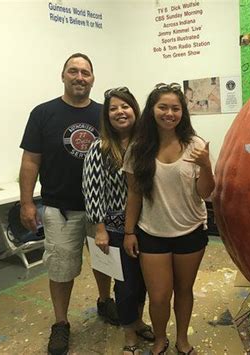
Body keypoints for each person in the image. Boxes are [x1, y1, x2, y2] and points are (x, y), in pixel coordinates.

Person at [19, 53, 118, 355]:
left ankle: (104, 301)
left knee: (104, 263)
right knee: (61, 270)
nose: (79, 77)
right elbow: (30, 160)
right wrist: (26, 203)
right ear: (63, 75)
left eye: (85, 73)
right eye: (73, 71)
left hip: (101, 209)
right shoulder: (43, 113)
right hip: (61, 209)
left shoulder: (105, 115)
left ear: (93, 79)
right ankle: (61, 323)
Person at [123, 83, 215, 355]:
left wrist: (206, 165)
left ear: (182, 112)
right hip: (152, 232)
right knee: (160, 295)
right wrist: (129, 232)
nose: (169, 113)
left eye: (175, 108)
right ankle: (160, 338)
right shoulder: (138, 149)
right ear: (152, 110)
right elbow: (134, 195)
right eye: (163, 107)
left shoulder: (195, 145)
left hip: (190, 231)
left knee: (184, 290)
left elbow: (205, 192)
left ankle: (182, 339)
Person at [82, 87, 155, 354]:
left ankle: (138, 321)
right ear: (107, 116)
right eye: (113, 108)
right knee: (125, 285)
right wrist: (99, 229)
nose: (120, 112)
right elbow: (92, 191)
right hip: (113, 229)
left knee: (145, 281)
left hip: (147, 226)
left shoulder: (147, 145)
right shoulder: (98, 148)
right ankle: (129, 336)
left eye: (124, 106)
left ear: (135, 110)